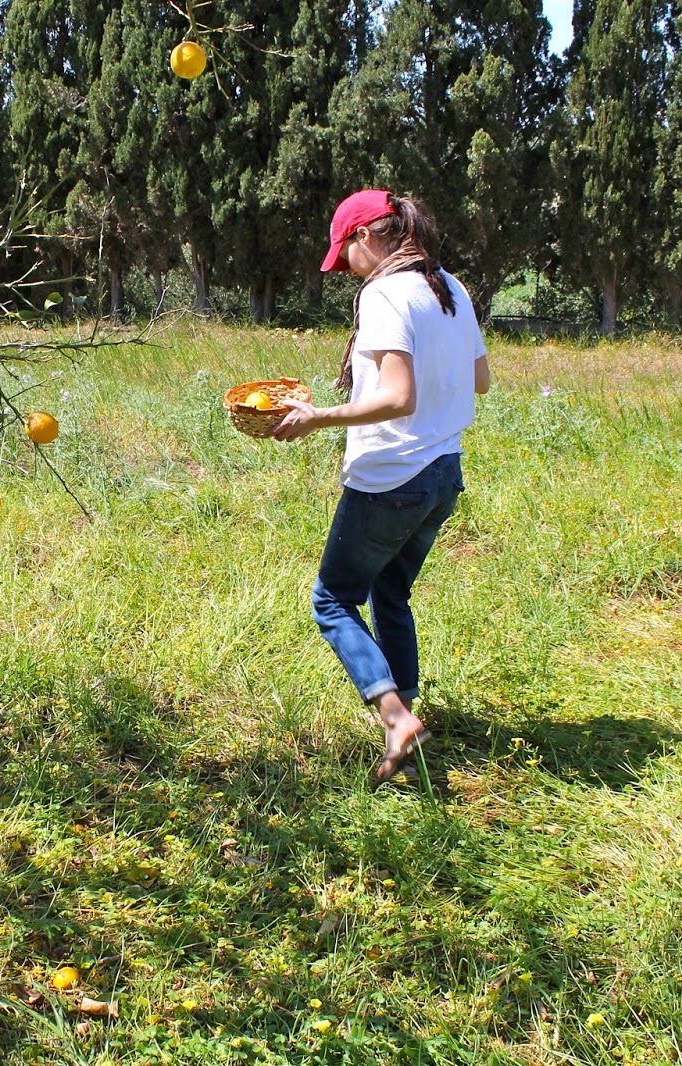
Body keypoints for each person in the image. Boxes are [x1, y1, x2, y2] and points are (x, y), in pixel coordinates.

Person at [272, 189, 490, 784]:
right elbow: (481, 380)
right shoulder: (449, 285)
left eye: (345, 255)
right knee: (391, 593)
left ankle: (395, 718)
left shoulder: (386, 293)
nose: (347, 270)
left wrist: (319, 417)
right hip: (443, 473)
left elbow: (398, 397)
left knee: (332, 600)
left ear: (365, 235)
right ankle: (408, 736)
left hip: (391, 478)